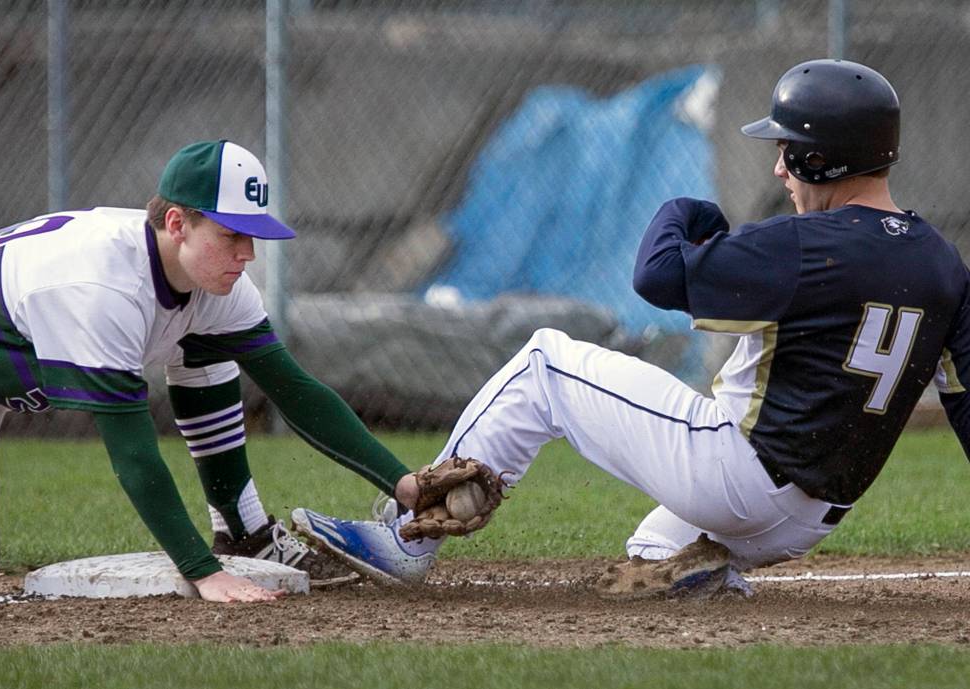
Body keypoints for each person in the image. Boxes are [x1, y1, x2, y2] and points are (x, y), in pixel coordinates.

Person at [292, 59, 970, 596]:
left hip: (736, 475)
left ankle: (403, 541)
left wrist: (680, 208)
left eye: (789, 149)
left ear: (822, 158)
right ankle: (715, 578)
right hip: (808, 518)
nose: (777, 165)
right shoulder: (941, 262)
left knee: (545, 363)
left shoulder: (806, 243)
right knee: (655, 550)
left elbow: (655, 275)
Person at [0, 139, 424, 603]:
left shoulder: (215, 280)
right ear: (177, 223)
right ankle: (229, 545)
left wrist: (403, 484)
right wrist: (202, 573)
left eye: (251, 234)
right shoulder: (102, 288)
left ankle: (243, 531)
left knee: (207, 345)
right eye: (230, 234)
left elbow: (293, 388)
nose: (248, 253)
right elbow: (133, 456)